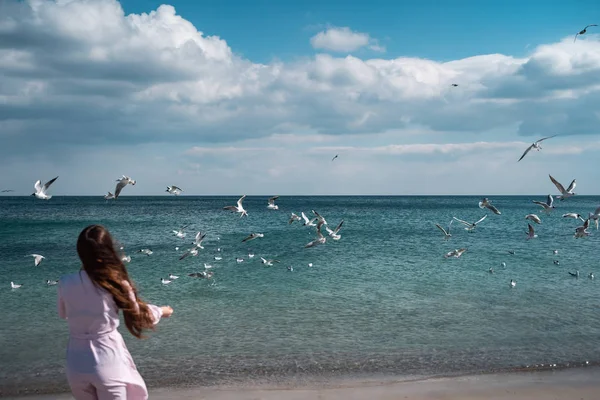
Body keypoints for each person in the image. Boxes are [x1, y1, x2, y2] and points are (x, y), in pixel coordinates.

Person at [57, 225, 173, 399]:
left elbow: (63, 314)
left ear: (80, 251)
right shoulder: (115, 283)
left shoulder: (65, 282)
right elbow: (139, 317)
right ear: (108, 250)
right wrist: (162, 311)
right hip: (107, 361)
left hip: (76, 363)